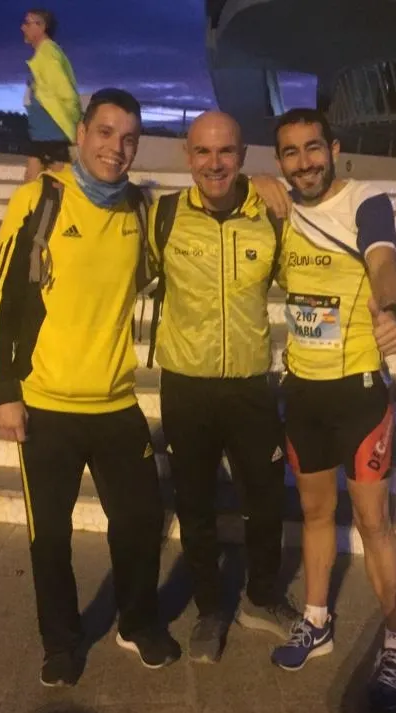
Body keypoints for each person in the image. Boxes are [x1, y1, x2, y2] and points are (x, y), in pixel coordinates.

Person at [0, 88, 180, 688]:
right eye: (106, 133)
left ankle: (136, 624)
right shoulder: (39, 199)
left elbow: (195, 212)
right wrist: (3, 390)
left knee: (139, 522)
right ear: (81, 134)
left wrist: (259, 186)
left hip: (116, 402)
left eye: (129, 139)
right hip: (46, 405)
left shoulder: (139, 210)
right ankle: (61, 642)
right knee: (50, 537)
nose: (117, 148)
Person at [265, 108, 396, 713]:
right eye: (291, 152)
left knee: (373, 523)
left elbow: (383, 261)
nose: (304, 162)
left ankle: (395, 640)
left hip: (359, 394)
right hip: (303, 392)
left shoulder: (365, 200)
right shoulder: (279, 207)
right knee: (315, 512)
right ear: (280, 161)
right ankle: (317, 620)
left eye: (313, 148)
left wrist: (390, 309)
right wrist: (252, 182)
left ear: (334, 148)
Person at [146, 112, 301, 663]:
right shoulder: (163, 215)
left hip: (250, 387)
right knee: (194, 504)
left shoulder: (268, 215)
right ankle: (210, 607)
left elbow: (307, 281)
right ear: (187, 156)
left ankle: (261, 597)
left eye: (226, 152)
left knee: (266, 499)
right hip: (185, 386)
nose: (214, 164)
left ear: (242, 155)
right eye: (203, 152)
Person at [21, 8, 81, 182]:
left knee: (56, 183)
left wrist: (76, 124)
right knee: (34, 183)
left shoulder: (48, 54)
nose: (22, 27)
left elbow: (67, 93)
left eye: (27, 23)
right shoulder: (45, 53)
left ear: (41, 26)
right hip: (42, 133)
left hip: (51, 133)